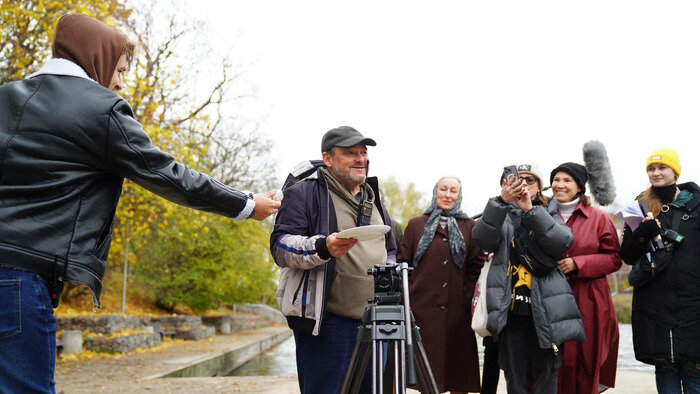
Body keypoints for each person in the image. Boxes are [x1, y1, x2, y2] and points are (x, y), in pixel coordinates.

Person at [0, 14, 280, 393]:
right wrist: (246, 204)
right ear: (94, 58)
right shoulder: (101, 109)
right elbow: (167, 174)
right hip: (20, 279)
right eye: (119, 69)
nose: (119, 82)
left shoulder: (6, 96)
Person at [270, 126, 396, 394]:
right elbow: (280, 247)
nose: (361, 158)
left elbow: (390, 248)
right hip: (328, 324)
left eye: (363, 152)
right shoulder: (305, 192)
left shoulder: (373, 196)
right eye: (351, 153)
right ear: (328, 158)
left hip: (376, 321)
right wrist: (322, 247)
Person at [471, 162, 585, 394]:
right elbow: (481, 239)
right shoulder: (498, 213)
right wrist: (501, 202)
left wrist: (530, 210)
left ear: (540, 187)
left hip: (546, 310)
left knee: (546, 381)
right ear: (505, 185)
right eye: (516, 179)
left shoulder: (551, 212)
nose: (523, 183)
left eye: (530, 180)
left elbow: (562, 243)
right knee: (516, 382)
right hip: (510, 311)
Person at [620, 148, 700, 394]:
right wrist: (642, 233)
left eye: (662, 167)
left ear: (675, 171)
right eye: (651, 169)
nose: (656, 173)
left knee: (694, 370)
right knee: (664, 369)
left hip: (693, 300)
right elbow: (627, 255)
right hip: (654, 301)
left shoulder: (697, 204)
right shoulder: (639, 205)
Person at [397, 176, 486, 393]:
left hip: (458, 312)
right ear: (435, 192)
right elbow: (402, 264)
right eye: (443, 189)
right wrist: (410, 296)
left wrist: (465, 297)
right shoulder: (417, 224)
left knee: (459, 375)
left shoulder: (470, 226)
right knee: (428, 377)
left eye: (453, 191)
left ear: (459, 195)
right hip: (423, 311)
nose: (447, 195)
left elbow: (476, 265)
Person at [548, 162, 622, 394]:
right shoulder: (540, 215)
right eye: (556, 180)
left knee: (585, 362)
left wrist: (578, 263)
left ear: (580, 186)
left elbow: (613, 259)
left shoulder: (599, 218)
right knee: (549, 365)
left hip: (589, 300)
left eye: (567, 180)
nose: (560, 185)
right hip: (549, 300)